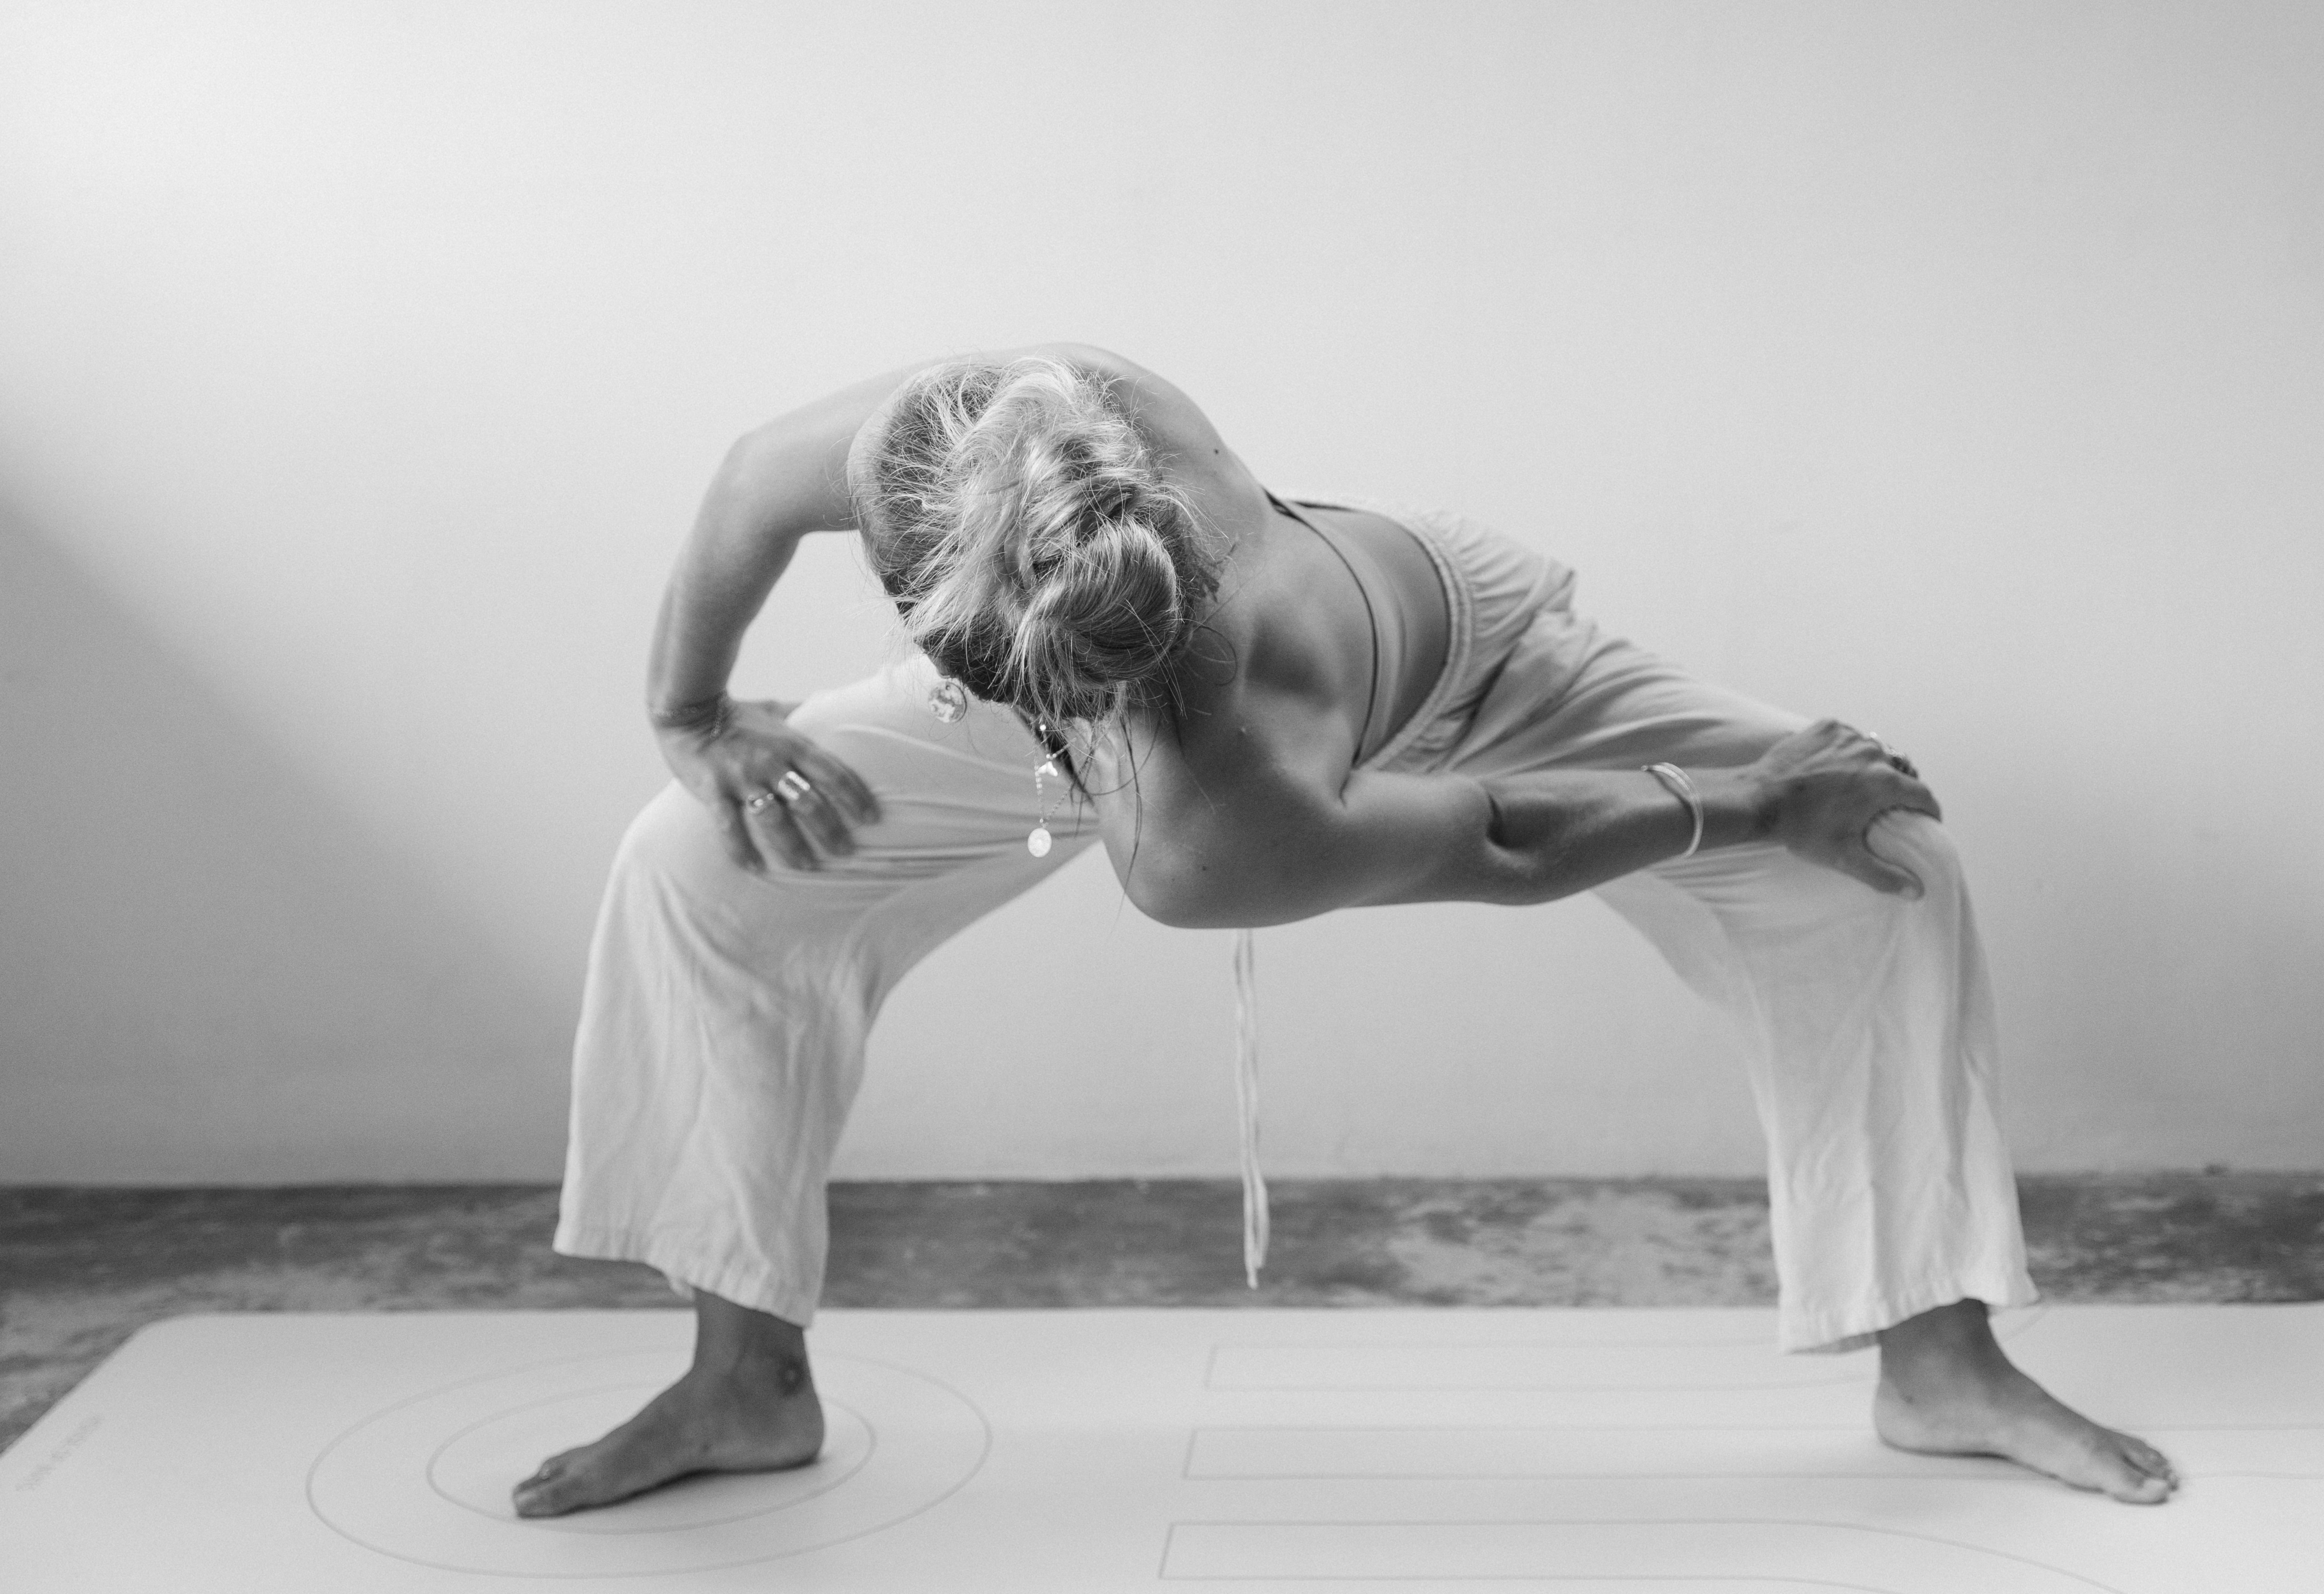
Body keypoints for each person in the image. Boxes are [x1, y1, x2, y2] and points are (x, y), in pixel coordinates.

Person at [510, 344, 2177, 1519]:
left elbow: (1509, 839)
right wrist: (691, 713)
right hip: (1098, 670)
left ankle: (1938, 1362)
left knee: (1875, 855)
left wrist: (1758, 802)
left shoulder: (1204, 823)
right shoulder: (989, 428)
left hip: (1473, 667)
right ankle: (747, 1382)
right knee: (699, 857)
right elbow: (745, 484)